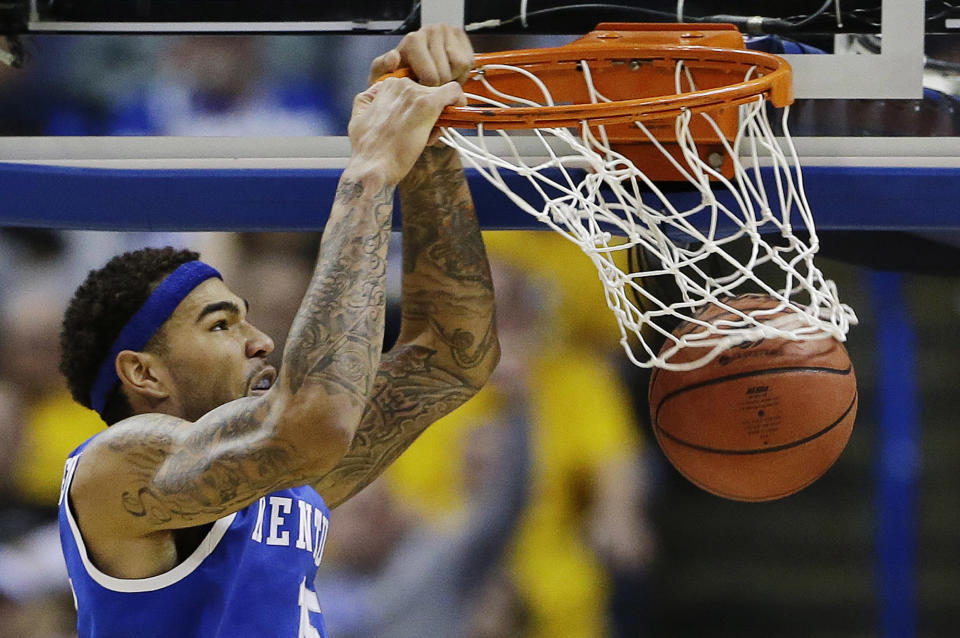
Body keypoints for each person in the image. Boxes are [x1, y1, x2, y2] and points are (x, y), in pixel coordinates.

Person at [56, 24, 498, 638]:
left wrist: (427, 132)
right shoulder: (114, 471)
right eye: (220, 324)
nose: (261, 340)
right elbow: (313, 421)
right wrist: (369, 174)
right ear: (144, 371)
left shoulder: (278, 477)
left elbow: (452, 357)